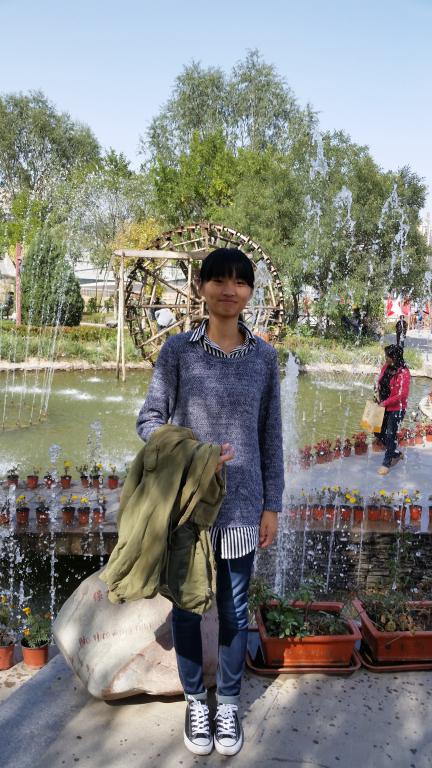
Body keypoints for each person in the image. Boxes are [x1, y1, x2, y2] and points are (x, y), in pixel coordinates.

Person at [136, 248, 284, 757]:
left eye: (239, 282)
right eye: (218, 280)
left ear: (250, 291)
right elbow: (149, 420)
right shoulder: (178, 350)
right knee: (185, 606)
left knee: (235, 609)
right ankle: (196, 701)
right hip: (187, 505)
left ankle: (229, 704)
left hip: (243, 505)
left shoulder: (264, 358)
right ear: (201, 287)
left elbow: (271, 438)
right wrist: (193, 454)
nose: (229, 290)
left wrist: (272, 505)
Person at [375, 344, 410, 475]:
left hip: (396, 408)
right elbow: (380, 380)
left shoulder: (404, 372)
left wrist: (385, 403)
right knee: (377, 432)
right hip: (382, 404)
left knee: (390, 434)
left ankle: (386, 463)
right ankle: (395, 453)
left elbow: (402, 395)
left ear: (394, 357)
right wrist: (377, 391)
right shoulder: (386, 366)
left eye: (387, 356)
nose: (386, 358)